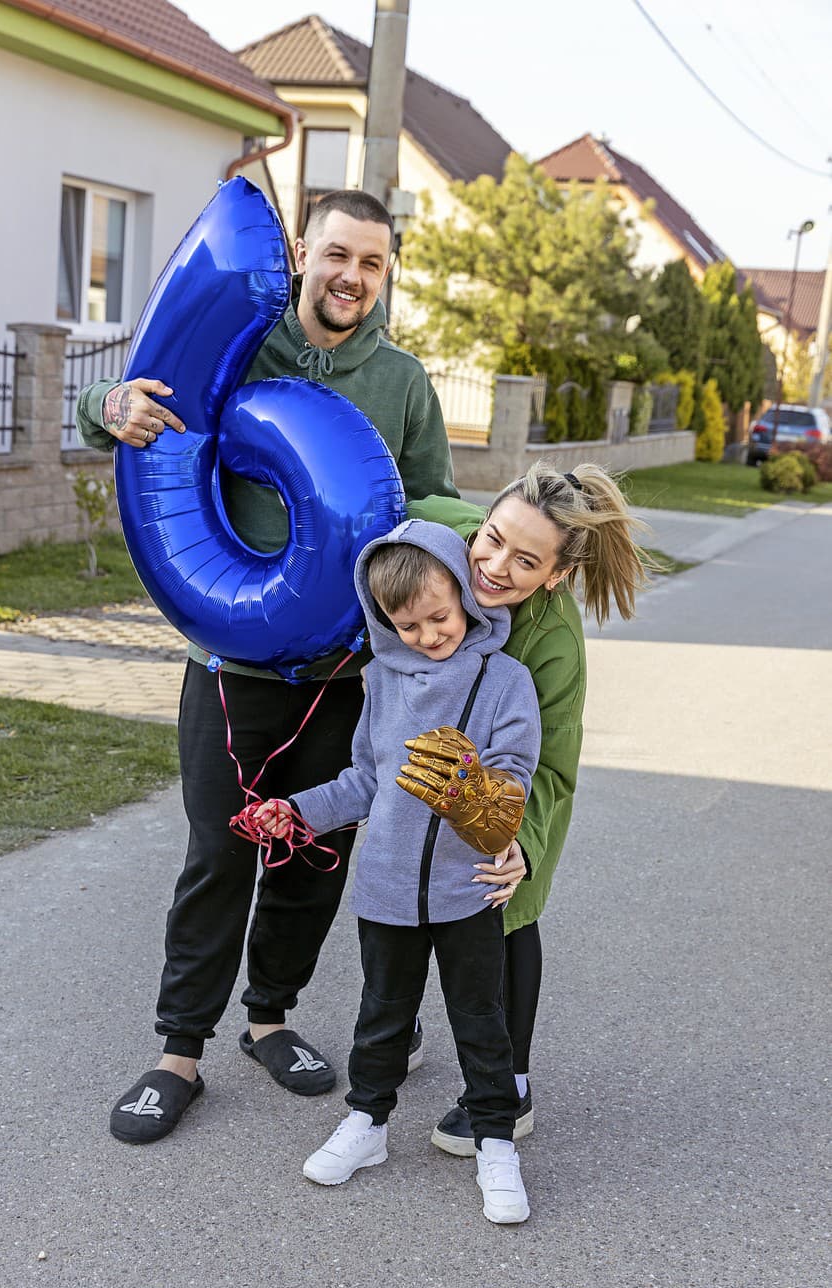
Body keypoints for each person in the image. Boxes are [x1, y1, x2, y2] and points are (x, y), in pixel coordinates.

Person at [75, 190, 464, 1144]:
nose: (351, 279)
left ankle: (270, 1019)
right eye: (337, 255)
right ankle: (178, 1053)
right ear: (302, 253)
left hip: (339, 675)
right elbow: (122, 401)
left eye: (372, 265)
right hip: (229, 660)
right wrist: (105, 405)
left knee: (312, 853)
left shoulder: (403, 382)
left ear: (385, 275)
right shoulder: (246, 345)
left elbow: (436, 506)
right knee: (220, 852)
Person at [255, 519, 540, 1224]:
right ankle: (368, 1124)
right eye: (406, 625)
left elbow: (515, 775)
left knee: (481, 1017)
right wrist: (295, 811)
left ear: (464, 598)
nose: (427, 635)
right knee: (381, 1014)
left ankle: (495, 1139)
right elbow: (362, 780)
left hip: (466, 888)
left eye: (438, 617)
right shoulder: (379, 680)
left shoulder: (505, 680)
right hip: (382, 887)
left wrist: (480, 788)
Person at [408, 462, 652, 1155]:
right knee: (410, 890)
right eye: (491, 539)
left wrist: (524, 843)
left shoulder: (551, 642)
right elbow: (407, 497)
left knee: (503, 904)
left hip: (514, 775)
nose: (493, 565)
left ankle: (510, 1087)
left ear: (555, 576)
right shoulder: (446, 544)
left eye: (524, 561)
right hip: (441, 758)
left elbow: (551, 768)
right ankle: (399, 1026)